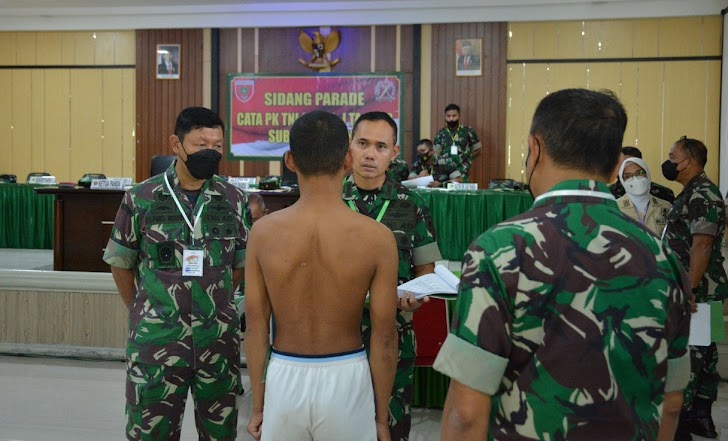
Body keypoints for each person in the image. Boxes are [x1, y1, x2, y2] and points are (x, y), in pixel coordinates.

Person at [433, 88, 691, 441]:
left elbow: (466, 413)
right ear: (617, 166)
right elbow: (672, 403)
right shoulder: (664, 259)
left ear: (534, 148)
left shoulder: (499, 250)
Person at [245, 110, 399, 441]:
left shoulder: (263, 233)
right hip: (348, 375)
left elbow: (256, 329)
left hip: (285, 375)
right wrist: (381, 417)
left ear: (289, 160)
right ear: (347, 159)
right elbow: (384, 337)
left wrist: (259, 407)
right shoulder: (377, 238)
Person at [103, 107, 251, 440]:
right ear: (176, 144)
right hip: (156, 345)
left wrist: (213, 300)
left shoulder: (233, 199)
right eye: (201, 143)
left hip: (217, 344)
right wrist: (146, 309)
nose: (209, 152)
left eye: (216, 145)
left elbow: (240, 264)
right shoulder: (141, 198)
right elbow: (121, 264)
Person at [343, 111, 443, 441]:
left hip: (394, 333)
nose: (371, 154)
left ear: (394, 153)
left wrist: (414, 296)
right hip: (337, 336)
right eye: (363, 143)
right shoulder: (328, 200)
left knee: (392, 423)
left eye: (381, 146)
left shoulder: (411, 204)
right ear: (350, 147)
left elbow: (425, 268)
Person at [661, 136, 728, 440]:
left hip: (700, 290)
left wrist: (688, 289)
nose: (669, 162)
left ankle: (685, 418)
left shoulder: (702, 193)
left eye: (673, 157)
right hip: (701, 287)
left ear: (687, 161)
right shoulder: (692, 191)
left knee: (693, 354)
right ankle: (701, 418)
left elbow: (702, 245)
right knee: (705, 353)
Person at [616, 156, 672, 235]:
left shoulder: (666, 207)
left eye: (639, 173)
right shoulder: (614, 207)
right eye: (628, 176)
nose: (635, 178)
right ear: (622, 180)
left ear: (648, 174)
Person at [433, 104, 481, 183]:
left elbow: (478, 149)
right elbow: (436, 153)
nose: (451, 119)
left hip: (462, 171)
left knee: (461, 193)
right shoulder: (440, 134)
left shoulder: (468, 131)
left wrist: (467, 159)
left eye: (454, 116)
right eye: (448, 116)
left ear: (459, 116)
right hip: (445, 171)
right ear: (445, 117)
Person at [610, 146, 676, 203]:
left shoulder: (663, 194)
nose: (626, 167)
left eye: (631, 163)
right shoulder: (609, 194)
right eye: (622, 163)